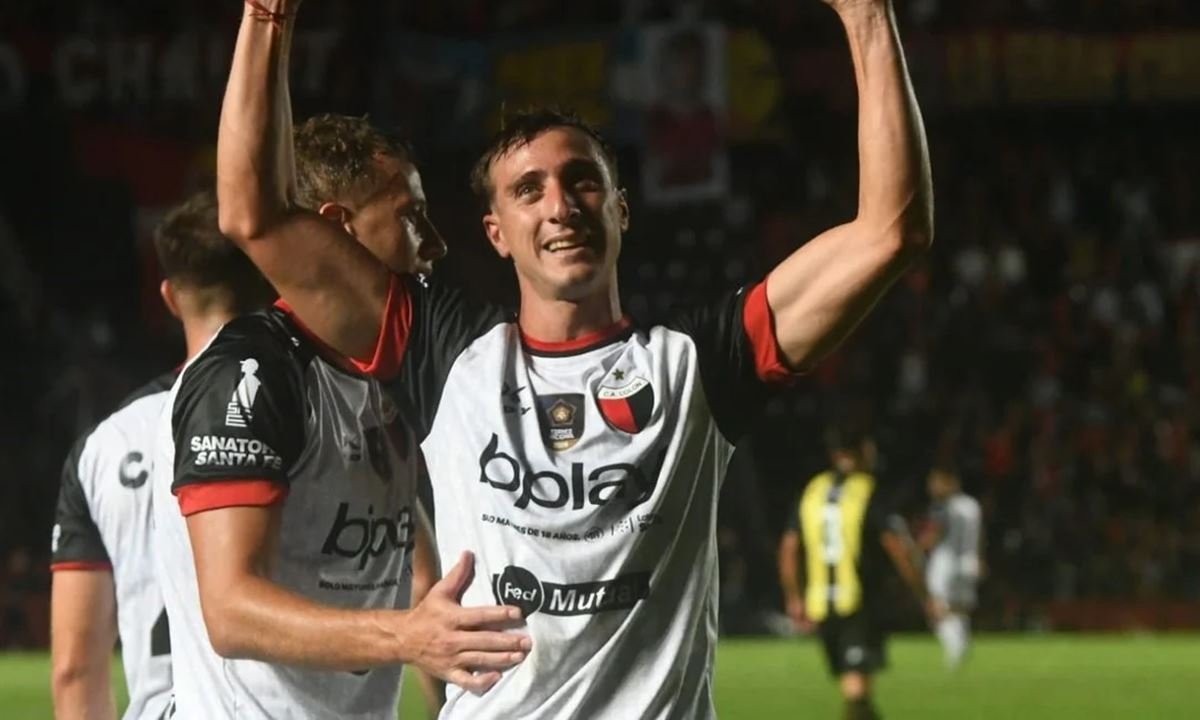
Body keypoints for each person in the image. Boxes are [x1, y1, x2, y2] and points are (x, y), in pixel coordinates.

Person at [216, 0, 933, 716]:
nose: (560, 205)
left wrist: (868, 17)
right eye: (529, 190)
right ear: (497, 232)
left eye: (582, 180)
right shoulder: (443, 353)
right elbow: (254, 213)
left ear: (620, 209)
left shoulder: (698, 363)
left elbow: (891, 231)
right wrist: (267, 19)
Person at [151, 24, 527, 715]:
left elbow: (413, 565)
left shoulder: (393, 372)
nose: (436, 243)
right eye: (410, 216)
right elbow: (232, 612)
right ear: (338, 226)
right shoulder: (251, 374)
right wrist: (408, 636)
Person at [49, 190, 276, 720]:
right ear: (268, 284)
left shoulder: (105, 445)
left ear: (171, 298)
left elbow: (75, 670)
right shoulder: (326, 408)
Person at [777, 427, 932, 720]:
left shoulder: (813, 489)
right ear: (863, 451)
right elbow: (896, 547)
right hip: (857, 601)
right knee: (857, 691)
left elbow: (788, 547)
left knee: (855, 691)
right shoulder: (867, 490)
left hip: (821, 603)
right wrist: (921, 591)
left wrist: (794, 597)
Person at [923, 465, 983, 670]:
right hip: (969, 560)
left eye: (936, 482)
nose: (932, 487)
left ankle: (954, 646)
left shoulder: (944, 506)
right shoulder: (972, 505)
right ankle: (961, 642)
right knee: (959, 607)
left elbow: (936, 533)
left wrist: (921, 545)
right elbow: (980, 535)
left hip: (945, 561)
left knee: (937, 606)